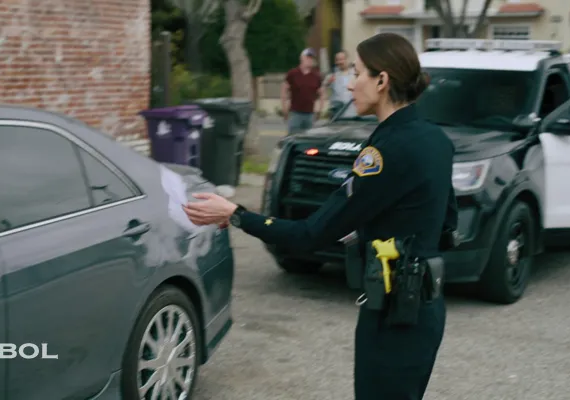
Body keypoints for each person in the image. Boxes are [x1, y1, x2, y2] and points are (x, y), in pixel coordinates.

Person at [184, 32, 458, 400]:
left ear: (381, 80)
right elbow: (447, 223)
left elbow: (311, 234)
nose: (350, 84)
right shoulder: (436, 139)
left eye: (357, 73)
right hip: (425, 309)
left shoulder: (387, 149)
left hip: (395, 315)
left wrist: (236, 214)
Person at [282, 48, 325, 135]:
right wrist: (284, 108)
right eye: (308, 57)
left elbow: (322, 93)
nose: (310, 60)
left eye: (312, 58)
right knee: (293, 137)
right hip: (295, 113)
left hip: (309, 114)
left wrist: (320, 109)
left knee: (308, 138)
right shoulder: (293, 73)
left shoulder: (316, 76)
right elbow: (284, 90)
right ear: (302, 58)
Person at [324, 50, 354, 119]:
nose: (340, 62)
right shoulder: (332, 75)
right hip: (337, 115)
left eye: (342, 59)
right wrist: (327, 84)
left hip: (352, 114)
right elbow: (323, 90)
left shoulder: (355, 74)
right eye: (338, 60)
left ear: (347, 59)